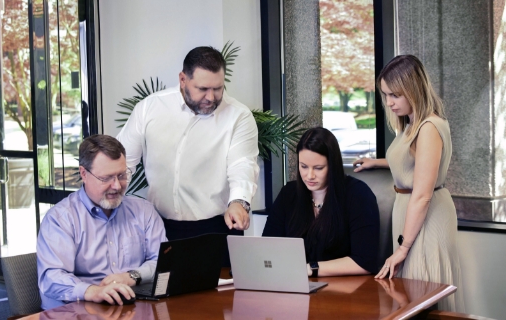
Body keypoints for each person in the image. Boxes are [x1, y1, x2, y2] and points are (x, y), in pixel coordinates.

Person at [353, 55, 464, 311]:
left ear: (413, 90)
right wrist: (377, 162)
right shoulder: (414, 123)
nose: (389, 103)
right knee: (414, 296)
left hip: (426, 215)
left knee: (424, 293)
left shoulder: (428, 127)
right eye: (385, 95)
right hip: (412, 213)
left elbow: (423, 194)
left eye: (395, 95)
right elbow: (414, 163)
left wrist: (403, 248)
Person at [116, 46, 259, 243]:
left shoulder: (239, 116)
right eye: (202, 89)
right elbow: (122, 162)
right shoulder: (150, 108)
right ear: (183, 79)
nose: (211, 97)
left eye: (218, 88)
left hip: (217, 228)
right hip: (159, 228)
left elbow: (242, 165)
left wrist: (239, 202)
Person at [37, 135, 167, 310]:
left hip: (129, 308)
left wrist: (132, 276)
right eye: (106, 178)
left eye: (121, 175)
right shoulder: (61, 219)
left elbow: (162, 261)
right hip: (76, 310)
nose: (116, 186)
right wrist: (92, 291)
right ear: (84, 173)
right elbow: (51, 277)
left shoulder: (144, 211)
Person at [262, 127, 379, 277]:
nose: (309, 175)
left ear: (333, 166)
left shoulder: (358, 195)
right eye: (303, 166)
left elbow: (365, 261)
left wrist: (311, 269)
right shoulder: (289, 193)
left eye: (318, 168)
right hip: (295, 284)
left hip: (346, 290)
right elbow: (268, 246)